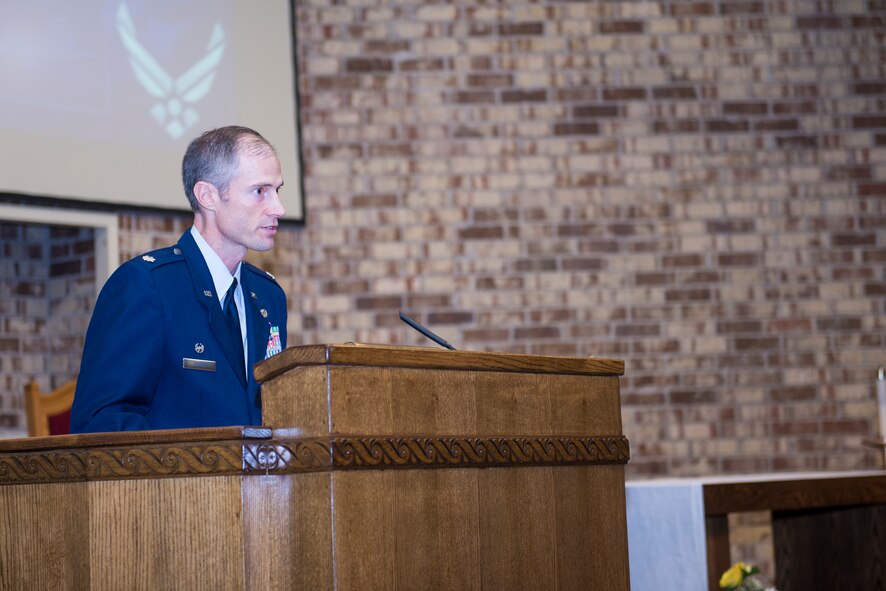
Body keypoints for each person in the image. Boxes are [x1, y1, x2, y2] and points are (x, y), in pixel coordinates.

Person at [70, 125, 288, 432]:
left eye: (277, 190)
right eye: (260, 191)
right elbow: (101, 422)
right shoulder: (147, 285)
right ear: (208, 195)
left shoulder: (268, 296)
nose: (278, 208)